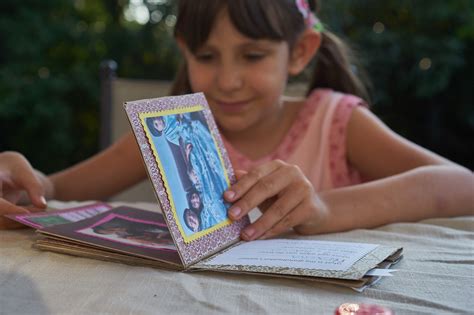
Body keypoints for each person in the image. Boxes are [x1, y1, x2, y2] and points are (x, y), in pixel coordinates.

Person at [0, 0, 472, 242]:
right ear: (186, 51)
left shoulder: (336, 121)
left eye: (252, 55)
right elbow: (56, 191)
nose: (227, 80)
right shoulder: (168, 131)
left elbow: (460, 185)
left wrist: (325, 210)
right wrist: (27, 186)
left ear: (300, 52)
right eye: (207, 55)